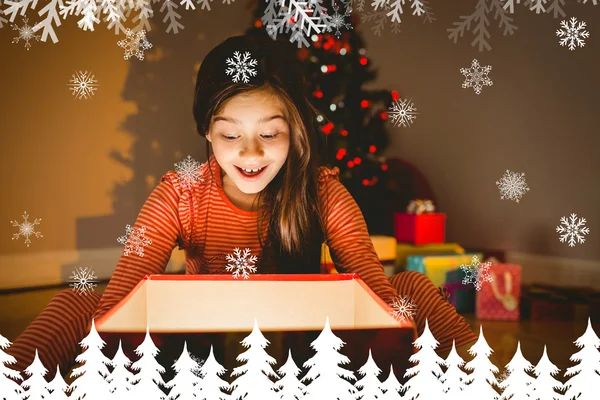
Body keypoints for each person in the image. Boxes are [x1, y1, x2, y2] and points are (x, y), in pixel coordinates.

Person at [7, 34, 477, 379]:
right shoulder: (181, 190)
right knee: (77, 303)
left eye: (269, 134)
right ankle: (12, 380)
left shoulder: (322, 192)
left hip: (312, 350)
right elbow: (121, 299)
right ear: (207, 133)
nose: (250, 154)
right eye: (230, 136)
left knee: (409, 285)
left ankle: (477, 382)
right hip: (189, 349)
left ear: (295, 133)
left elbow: (375, 297)